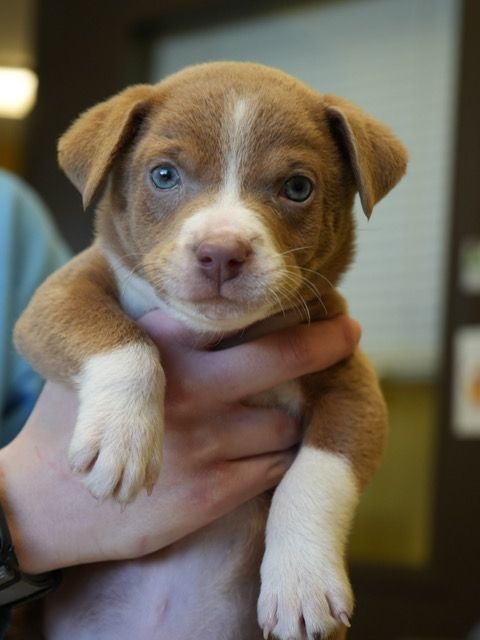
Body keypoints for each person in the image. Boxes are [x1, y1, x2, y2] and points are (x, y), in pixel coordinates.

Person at [0, 169, 361, 634]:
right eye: (166, 175)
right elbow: (47, 321)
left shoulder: (12, 217)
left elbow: (354, 405)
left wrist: (304, 533)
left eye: (294, 187)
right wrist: (122, 370)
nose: (223, 243)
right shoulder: (104, 274)